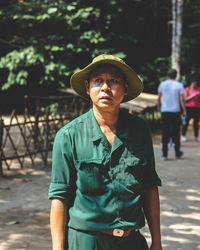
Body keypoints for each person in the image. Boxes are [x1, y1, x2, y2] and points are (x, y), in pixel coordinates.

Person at [48, 54, 162, 250]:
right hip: (87, 241)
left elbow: (149, 187)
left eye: (114, 81)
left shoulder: (139, 130)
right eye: (98, 81)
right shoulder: (68, 136)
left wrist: (157, 242)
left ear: (125, 88)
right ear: (87, 86)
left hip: (131, 242)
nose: (105, 88)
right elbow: (60, 197)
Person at [157, 68, 186, 160]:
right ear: (176, 76)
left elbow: (158, 97)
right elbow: (182, 99)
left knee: (165, 132)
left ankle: (164, 154)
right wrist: (184, 110)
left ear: (167, 75)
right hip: (175, 111)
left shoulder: (162, 84)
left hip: (165, 111)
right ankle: (177, 153)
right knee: (176, 133)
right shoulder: (179, 85)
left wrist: (159, 107)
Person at [181, 77, 200, 142]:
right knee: (186, 122)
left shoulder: (199, 89)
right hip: (188, 108)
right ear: (192, 83)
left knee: (196, 123)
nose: (195, 85)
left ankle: (196, 137)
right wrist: (193, 96)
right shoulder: (187, 89)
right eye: (194, 84)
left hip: (197, 108)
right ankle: (183, 135)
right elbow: (185, 99)